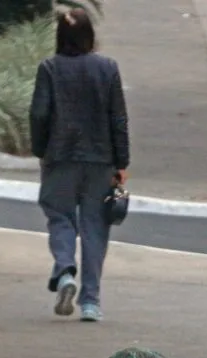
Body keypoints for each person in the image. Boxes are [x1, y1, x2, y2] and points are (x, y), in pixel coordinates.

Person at [29, 8, 130, 322]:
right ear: (90, 36)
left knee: (59, 215)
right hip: (100, 160)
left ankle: (64, 271)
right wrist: (121, 161)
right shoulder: (108, 68)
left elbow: (39, 114)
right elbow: (118, 118)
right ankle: (90, 302)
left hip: (60, 158)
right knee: (95, 228)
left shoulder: (49, 68)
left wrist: (41, 149)